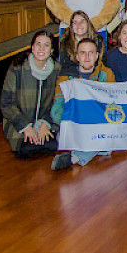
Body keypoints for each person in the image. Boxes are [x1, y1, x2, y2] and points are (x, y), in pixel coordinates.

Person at [50, 38, 115, 170]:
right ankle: (95, 148)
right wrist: (78, 120)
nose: (87, 57)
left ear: (97, 56)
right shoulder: (66, 76)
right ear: (76, 56)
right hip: (74, 124)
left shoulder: (106, 74)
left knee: (110, 129)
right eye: (82, 53)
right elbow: (57, 109)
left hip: (97, 123)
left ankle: (75, 157)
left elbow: (111, 104)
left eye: (91, 53)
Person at [0, 30, 60, 158]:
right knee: (26, 149)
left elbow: (58, 102)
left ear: (52, 50)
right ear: (32, 47)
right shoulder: (17, 67)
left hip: (43, 122)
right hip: (19, 121)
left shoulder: (57, 70)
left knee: (51, 147)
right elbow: (6, 103)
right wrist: (26, 127)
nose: (41, 48)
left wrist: (46, 124)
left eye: (46, 45)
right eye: (38, 44)